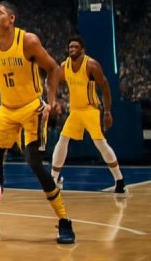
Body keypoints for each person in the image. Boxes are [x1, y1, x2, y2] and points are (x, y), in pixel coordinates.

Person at [0, 2, 75, 243]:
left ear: (12, 18)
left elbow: (53, 68)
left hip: (31, 109)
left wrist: (51, 100)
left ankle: (64, 221)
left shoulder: (27, 41)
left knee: (34, 163)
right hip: (6, 110)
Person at [51, 35, 125, 193]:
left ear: (82, 50)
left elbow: (105, 87)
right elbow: (52, 80)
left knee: (100, 143)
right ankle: (53, 179)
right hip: (75, 111)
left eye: (75, 47)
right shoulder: (65, 66)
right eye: (70, 47)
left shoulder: (91, 65)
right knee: (62, 140)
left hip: (90, 109)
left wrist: (107, 112)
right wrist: (54, 100)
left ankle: (119, 180)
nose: (72, 49)